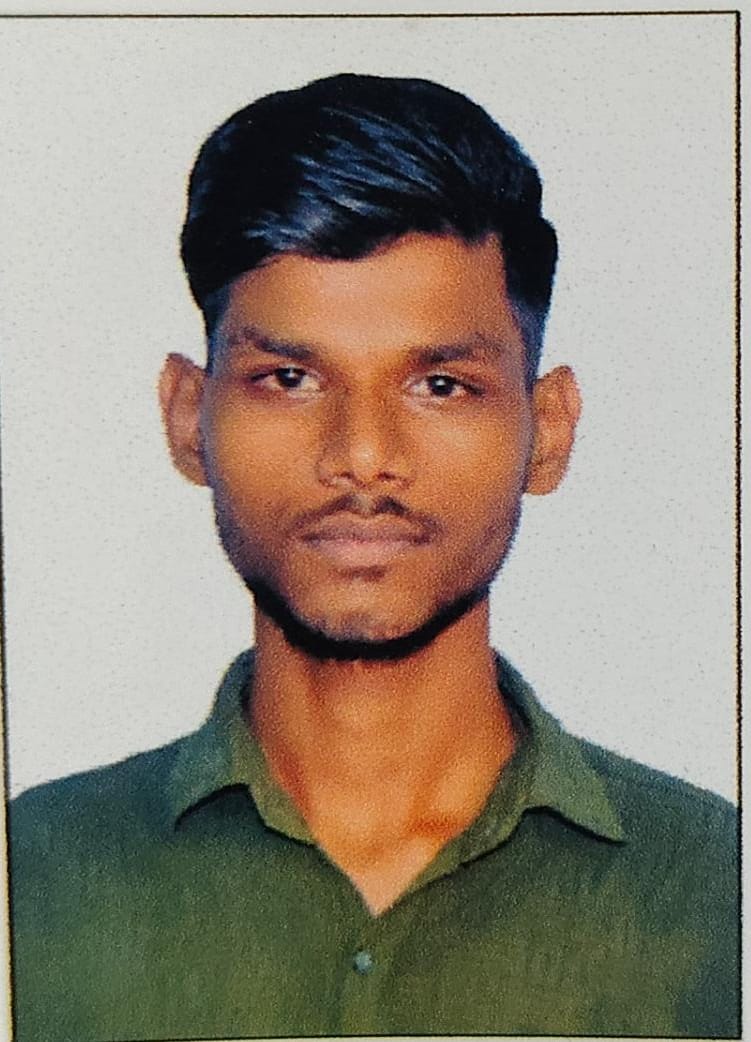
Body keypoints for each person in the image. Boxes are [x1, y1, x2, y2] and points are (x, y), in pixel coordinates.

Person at [8, 73, 738, 1041]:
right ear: (189, 419)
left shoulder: (719, 895)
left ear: (548, 431)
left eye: (439, 384)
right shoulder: (29, 881)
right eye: (289, 377)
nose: (361, 455)